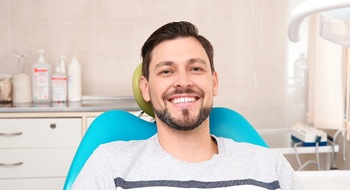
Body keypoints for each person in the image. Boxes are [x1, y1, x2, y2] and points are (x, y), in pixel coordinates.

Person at [72, 21, 303, 190]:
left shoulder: (268, 167)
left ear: (214, 82)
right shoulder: (110, 166)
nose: (183, 81)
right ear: (146, 89)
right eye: (166, 71)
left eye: (195, 68)